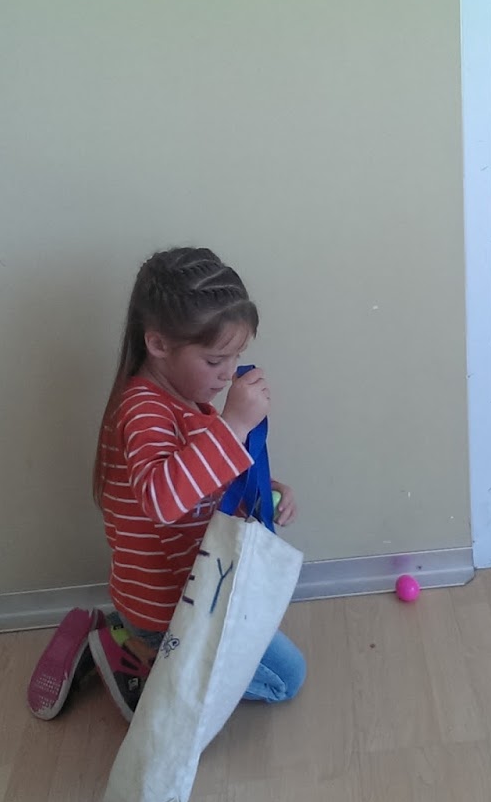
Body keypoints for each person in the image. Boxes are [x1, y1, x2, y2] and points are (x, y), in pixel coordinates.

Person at [26, 247, 305, 720]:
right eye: (216, 359)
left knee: (268, 648)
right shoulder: (143, 409)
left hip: (191, 590)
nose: (228, 373)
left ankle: (115, 630)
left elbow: (199, 476)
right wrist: (235, 425)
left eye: (236, 356)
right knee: (286, 678)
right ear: (158, 344)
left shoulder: (185, 399)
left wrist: (266, 485)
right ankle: (134, 657)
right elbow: (162, 499)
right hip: (169, 612)